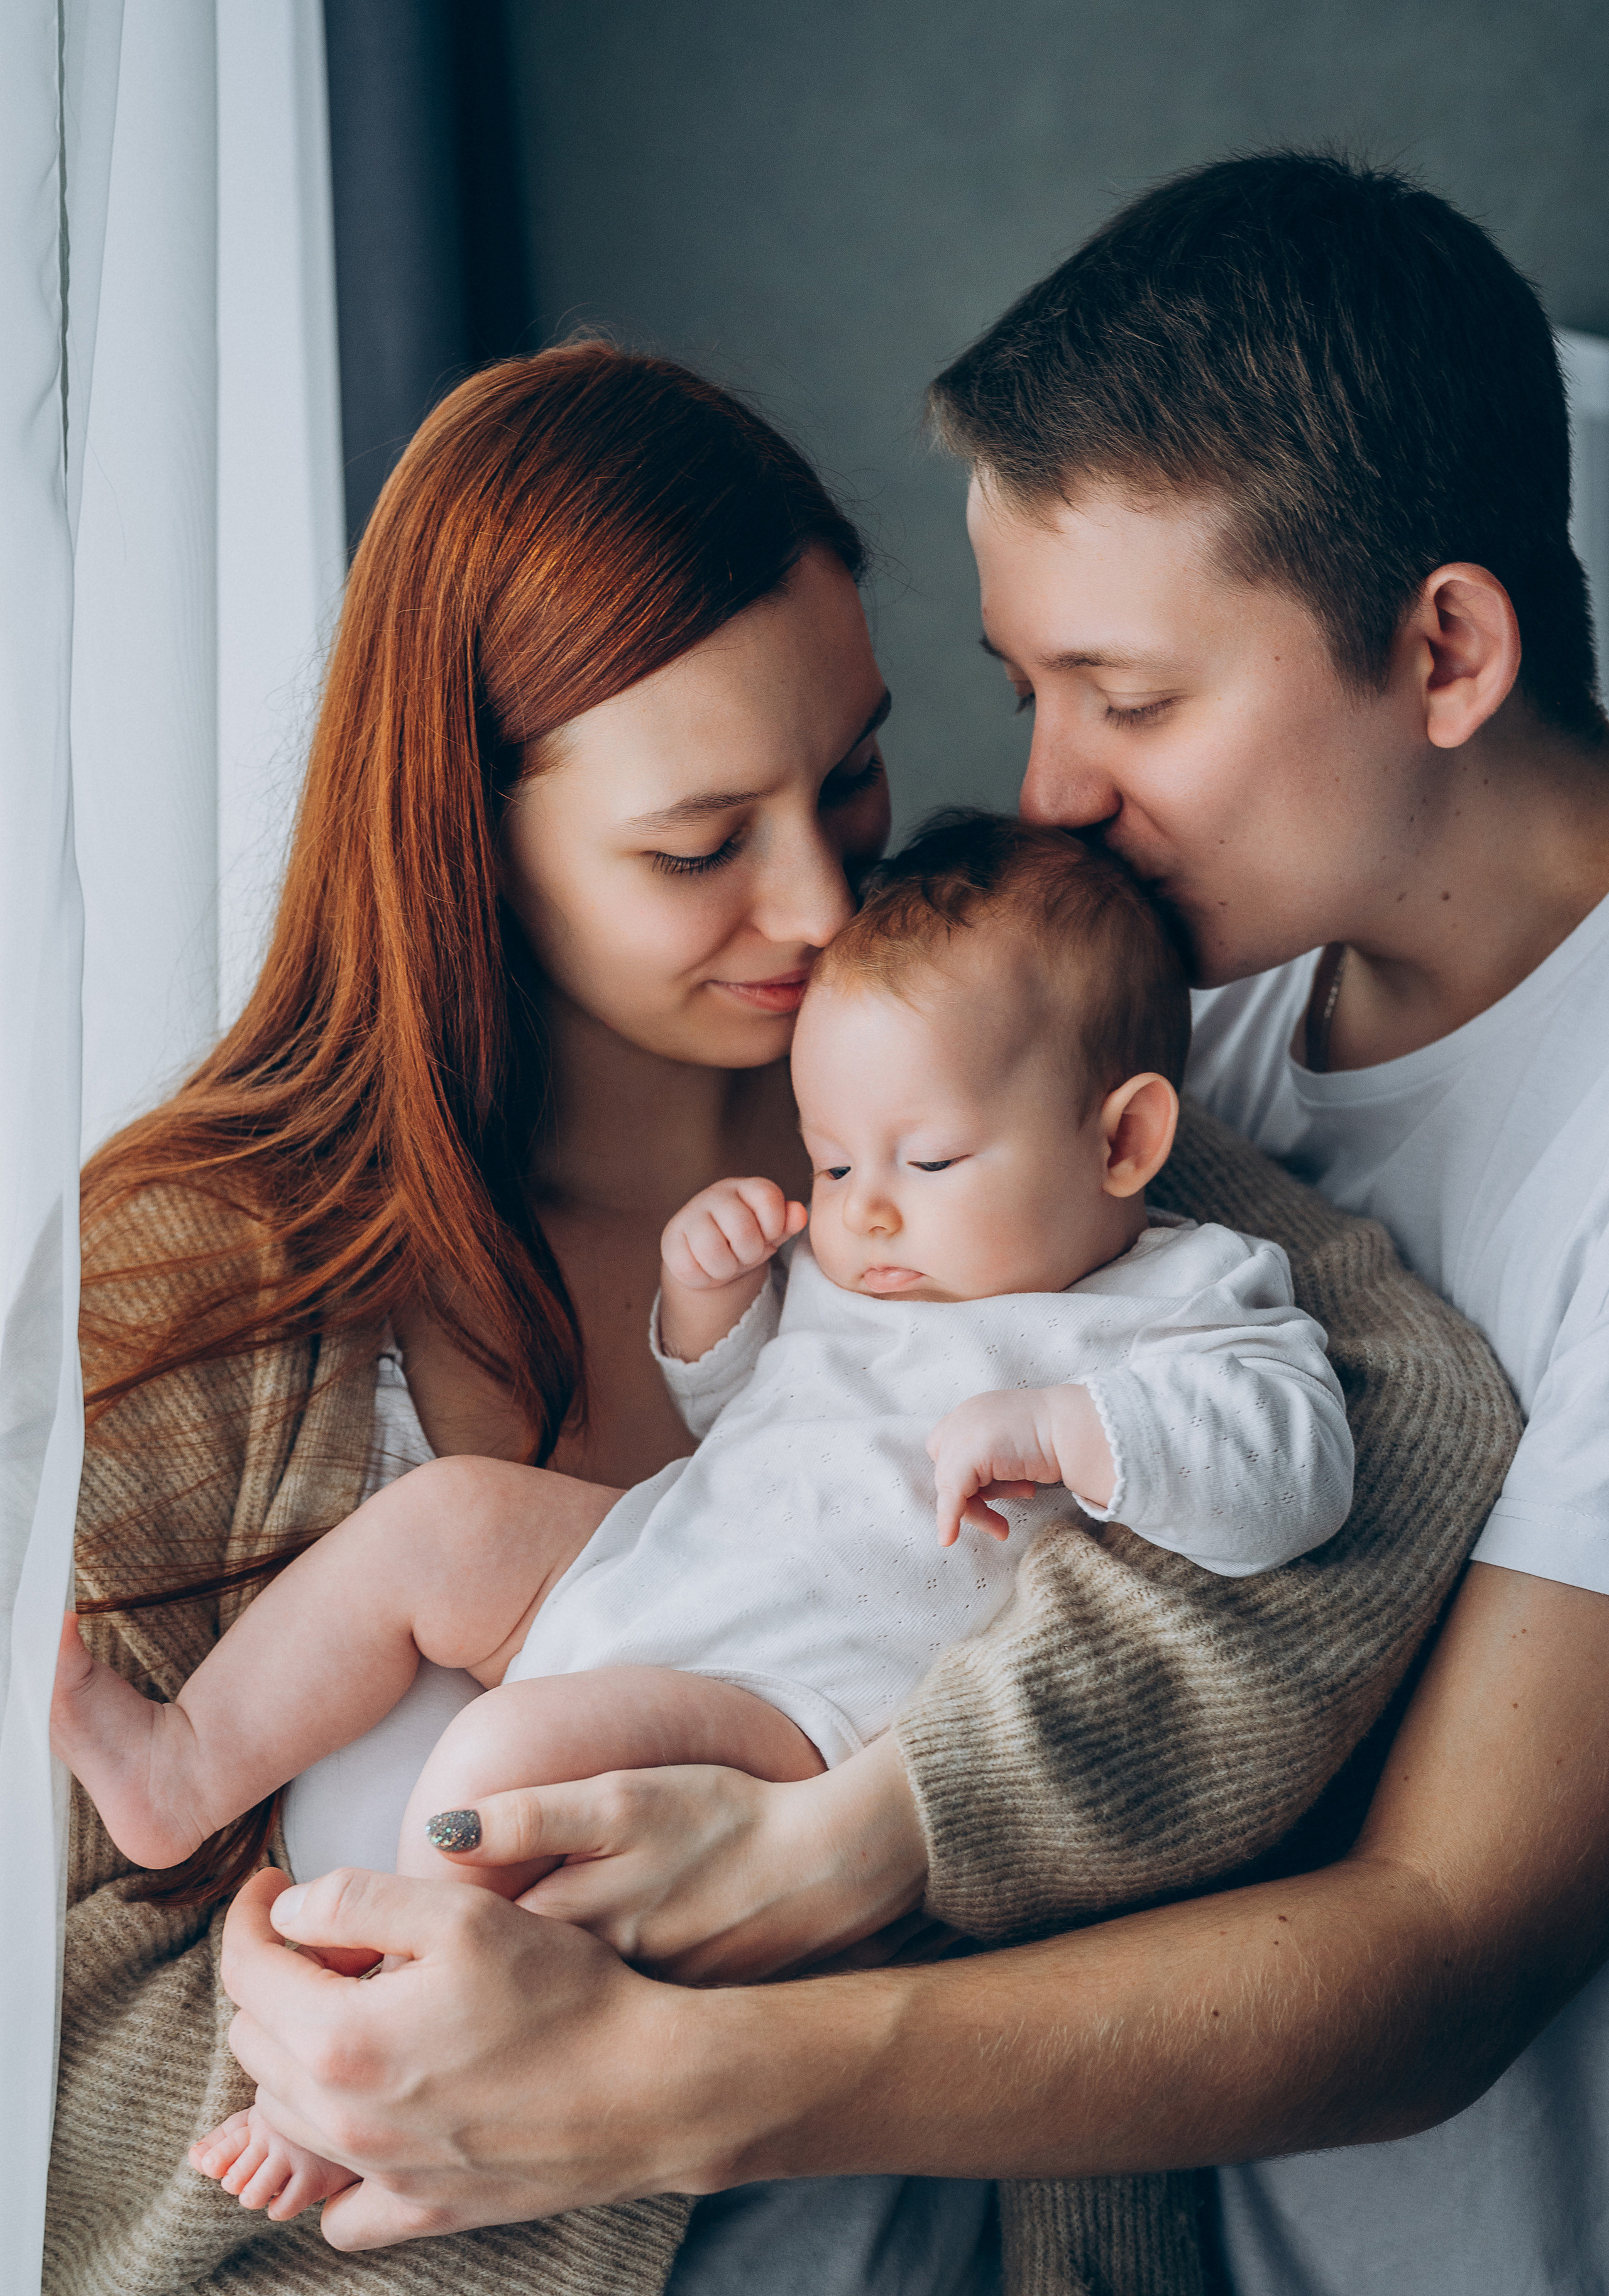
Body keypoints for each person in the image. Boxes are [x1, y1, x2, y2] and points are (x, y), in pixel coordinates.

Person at [214, 151, 1609, 2296]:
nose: (1044, 786)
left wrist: (698, 2021)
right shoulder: (1168, 982)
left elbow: (1439, 1945)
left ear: (1445, 647)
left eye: (1129, 700)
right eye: (1024, 684)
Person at [56, 811, 1356, 2224]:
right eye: (833, 1160)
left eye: (922, 1164)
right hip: (643, 1554)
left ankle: (358, 2073)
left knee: (505, 1759)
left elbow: (1295, 1471)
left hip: (788, 1708)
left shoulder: (1183, 1298)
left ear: (1122, 1139)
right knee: (442, 1521)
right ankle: (184, 1768)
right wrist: (712, 1306)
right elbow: (742, 1412)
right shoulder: (870, 1270)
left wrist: (1078, 1433)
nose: (862, 1216)